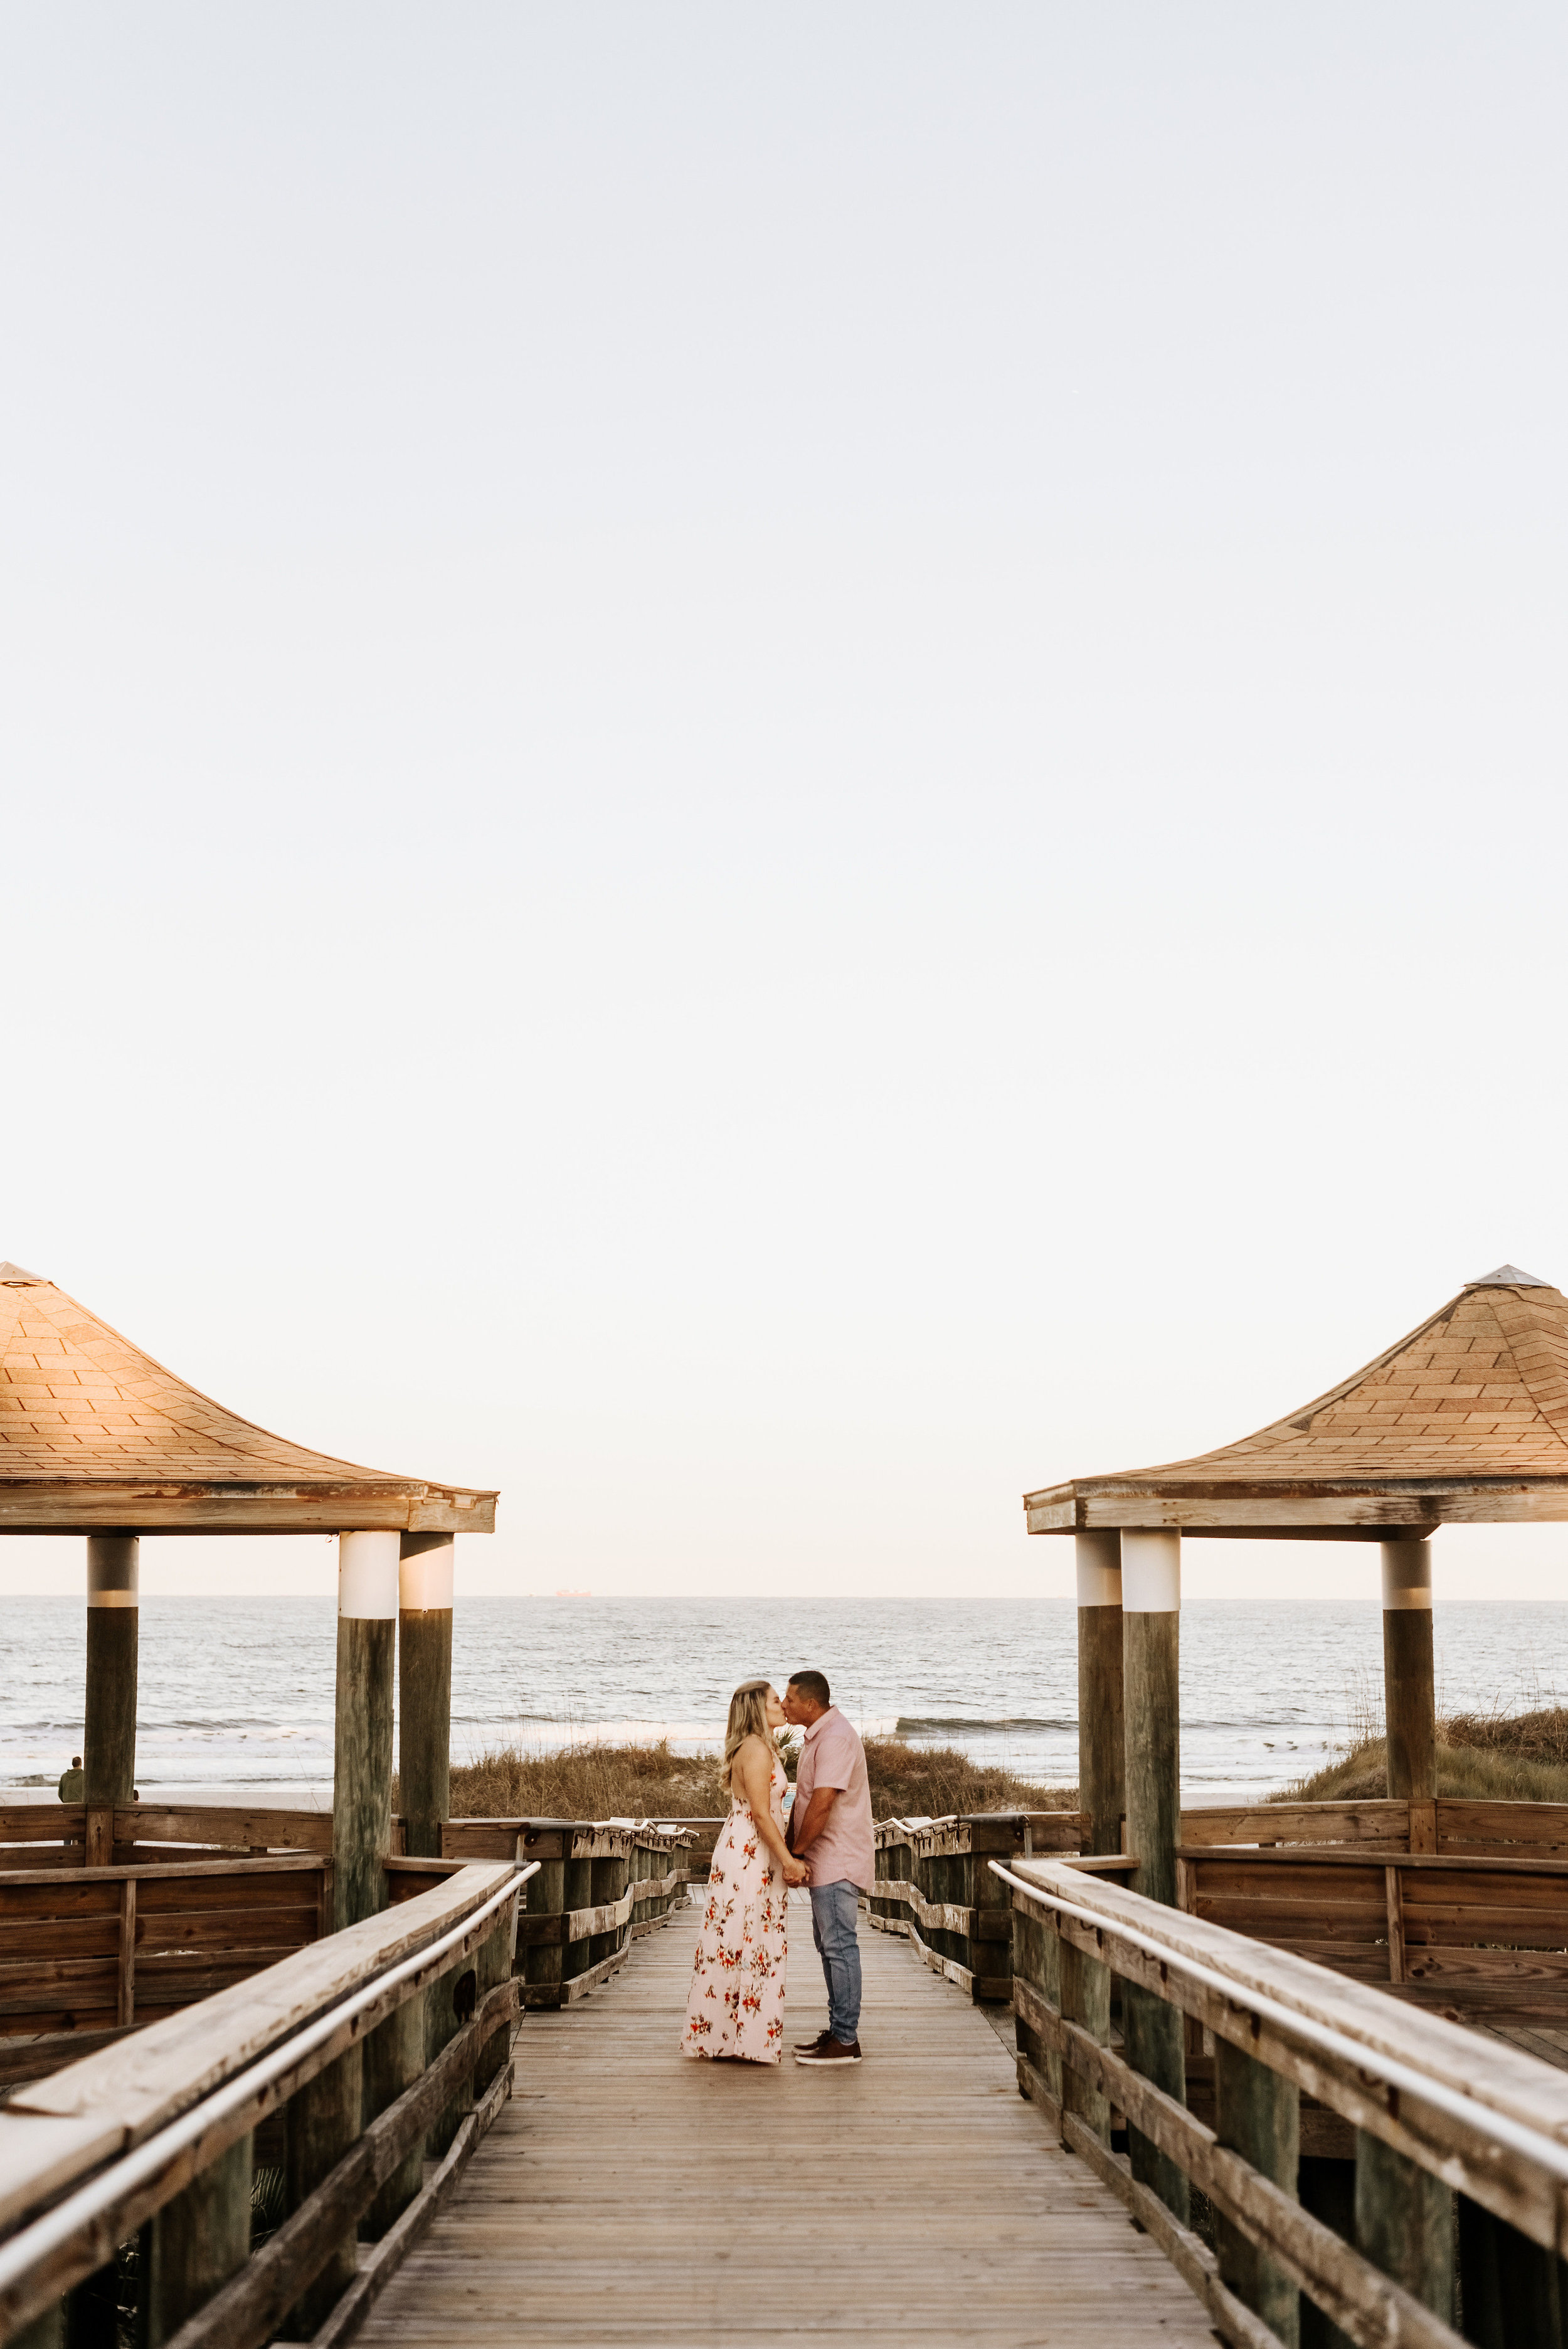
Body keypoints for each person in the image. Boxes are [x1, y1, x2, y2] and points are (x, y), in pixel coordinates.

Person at [682, 1679, 807, 2063]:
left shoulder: (760, 1746)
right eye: (775, 1701)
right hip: (749, 1851)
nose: (783, 1705)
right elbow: (760, 1813)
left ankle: (733, 2036)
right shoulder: (755, 1749)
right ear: (756, 1709)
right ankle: (737, 2039)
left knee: (745, 1938)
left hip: (749, 1847)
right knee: (744, 1937)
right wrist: (787, 1859)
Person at [783, 1670, 874, 2067]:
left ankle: (846, 2040)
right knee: (830, 1946)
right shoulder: (820, 1734)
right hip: (827, 1858)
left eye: (789, 1699)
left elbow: (822, 1802)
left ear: (810, 1704)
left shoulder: (835, 1737)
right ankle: (838, 2031)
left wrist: (796, 1853)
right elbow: (804, 1800)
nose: (783, 1705)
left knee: (839, 1946)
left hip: (836, 1858)